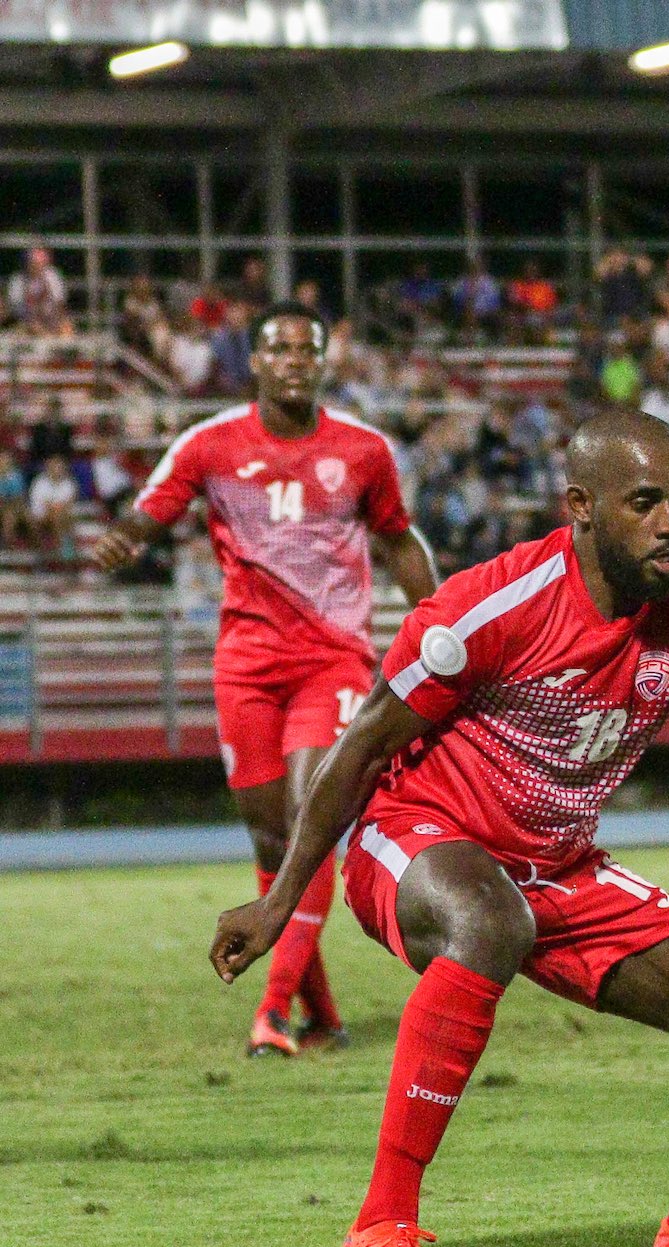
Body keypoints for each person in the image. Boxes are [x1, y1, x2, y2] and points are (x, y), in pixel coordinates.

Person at [207, 409, 669, 1247]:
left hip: (558, 866)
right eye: (646, 503)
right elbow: (358, 750)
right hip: (417, 836)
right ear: (581, 507)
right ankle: (382, 1224)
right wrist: (276, 904)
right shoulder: (490, 607)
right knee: (487, 917)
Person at [92, 302, 440, 1059]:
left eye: (306, 348)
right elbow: (153, 510)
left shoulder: (362, 450)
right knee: (273, 835)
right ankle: (324, 1016)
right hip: (245, 664)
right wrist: (124, 537)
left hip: (333, 659)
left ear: (322, 360)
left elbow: (398, 541)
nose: (293, 360)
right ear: (254, 361)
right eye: (278, 348)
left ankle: (273, 1012)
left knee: (314, 818)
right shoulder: (210, 443)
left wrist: (444, 627)